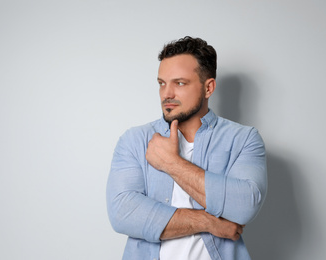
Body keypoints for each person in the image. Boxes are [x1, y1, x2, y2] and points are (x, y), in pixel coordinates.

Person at [106, 36, 267, 260]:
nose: (167, 94)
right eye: (162, 83)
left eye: (179, 83)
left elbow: (244, 206)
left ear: (208, 87)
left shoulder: (243, 139)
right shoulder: (135, 140)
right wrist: (208, 222)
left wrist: (171, 164)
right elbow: (122, 213)